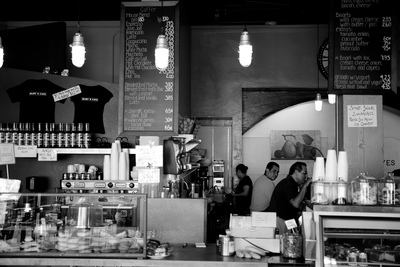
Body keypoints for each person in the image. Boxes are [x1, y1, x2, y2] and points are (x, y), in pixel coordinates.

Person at [267, 161, 312, 233]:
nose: (306, 176)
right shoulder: (287, 184)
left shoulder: (293, 184)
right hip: (279, 220)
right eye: (304, 173)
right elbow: (295, 203)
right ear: (296, 171)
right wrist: (305, 185)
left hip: (286, 219)